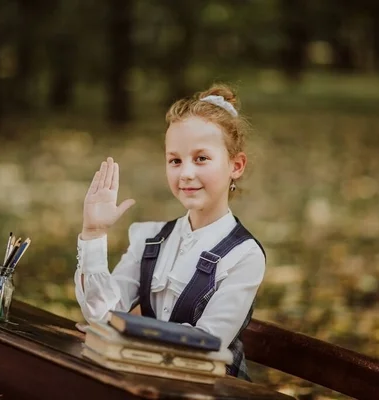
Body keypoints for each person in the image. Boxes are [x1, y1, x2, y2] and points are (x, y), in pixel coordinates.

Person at [74, 84, 266, 380]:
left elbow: (205, 344)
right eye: (175, 160)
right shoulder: (150, 239)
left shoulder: (244, 255)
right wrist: (94, 233)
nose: (186, 173)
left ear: (236, 165)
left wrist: (125, 332)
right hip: (142, 380)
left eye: (201, 158)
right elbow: (102, 314)